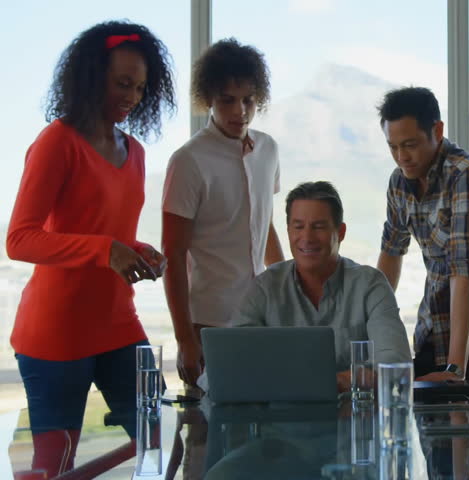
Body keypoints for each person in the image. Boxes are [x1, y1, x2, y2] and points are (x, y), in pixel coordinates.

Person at [5, 21, 175, 477]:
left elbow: (108, 232)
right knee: (55, 463)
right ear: (91, 78)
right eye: (122, 84)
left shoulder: (135, 152)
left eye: (140, 88)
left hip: (118, 323)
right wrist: (107, 250)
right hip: (56, 332)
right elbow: (19, 239)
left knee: (163, 440)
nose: (132, 97)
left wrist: (138, 250)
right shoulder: (57, 142)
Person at [162, 38, 284, 389]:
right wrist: (185, 339)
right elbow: (173, 254)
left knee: (268, 414)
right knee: (207, 420)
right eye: (227, 100)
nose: (239, 111)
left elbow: (263, 223)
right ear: (208, 100)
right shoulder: (188, 161)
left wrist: (288, 295)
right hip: (209, 323)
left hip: (263, 319)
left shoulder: (269, 149)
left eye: (248, 100)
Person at [376, 87, 469, 383]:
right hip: (433, 324)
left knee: (459, 409)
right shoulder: (399, 181)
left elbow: (462, 272)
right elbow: (391, 252)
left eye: (410, 145)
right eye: (393, 147)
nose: (402, 157)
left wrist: (455, 369)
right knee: (413, 408)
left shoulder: (466, 176)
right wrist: (372, 324)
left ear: (437, 131)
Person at [232, 181, 410, 392]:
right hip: (281, 412)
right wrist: (347, 378)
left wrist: (316, 382)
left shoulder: (370, 285)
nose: (307, 238)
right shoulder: (264, 288)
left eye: (318, 227)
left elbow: (395, 365)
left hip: (354, 413)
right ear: (288, 231)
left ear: (341, 232)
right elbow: (229, 366)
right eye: (298, 227)